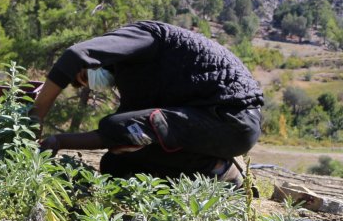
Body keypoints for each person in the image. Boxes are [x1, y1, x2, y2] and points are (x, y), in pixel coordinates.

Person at [31, 20, 263, 184]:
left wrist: (37, 121)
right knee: (116, 163)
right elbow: (121, 136)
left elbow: (73, 56)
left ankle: (221, 169)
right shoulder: (136, 81)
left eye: (85, 75)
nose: (92, 82)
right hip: (206, 123)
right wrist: (58, 141)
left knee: (118, 128)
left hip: (231, 119)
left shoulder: (143, 35)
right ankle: (210, 176)